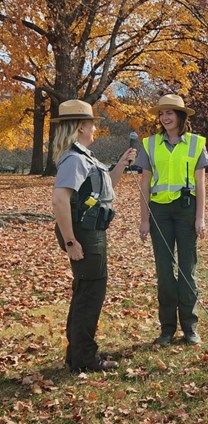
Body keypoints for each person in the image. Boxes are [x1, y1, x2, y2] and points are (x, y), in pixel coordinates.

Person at [51, 99, 136, 373]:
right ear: (80, 128)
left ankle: (78, 352)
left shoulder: (83, 156)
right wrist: (70, 241)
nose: (95, 129)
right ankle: (85, 359)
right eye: (91, 124)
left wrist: (122, 163)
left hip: (91, 233)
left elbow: (105, 187)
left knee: (85, 293)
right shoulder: (74, 160)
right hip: (84, 236)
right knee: (89, 295)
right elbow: (60, 202)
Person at [134, 94, 208, 346]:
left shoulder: (196, 144)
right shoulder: (150, 144)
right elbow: (144, 183)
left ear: (180, 116)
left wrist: (200, 218)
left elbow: (201, 184)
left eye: (170, 113)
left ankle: (190, 327)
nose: (165, 117)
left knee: (187, 270)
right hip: (159, 214)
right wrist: (144, 220)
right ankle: (167, 329)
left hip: (186, 211)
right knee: (165, 274)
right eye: (161, 113)